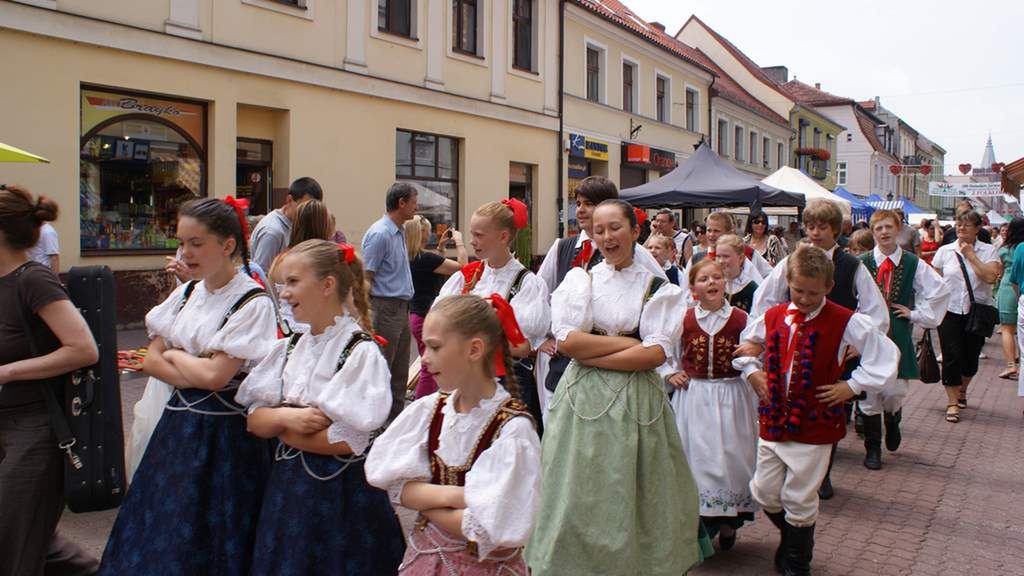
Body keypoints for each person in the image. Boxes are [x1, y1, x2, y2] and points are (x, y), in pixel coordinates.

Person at [525, 200, 709, 576]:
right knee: (579, 487)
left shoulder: (658, 287)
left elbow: (655, 355)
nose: (607, 237)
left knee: (632, 487)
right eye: (599, 230)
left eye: (615, 228)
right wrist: (630, 345)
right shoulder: (582, 281)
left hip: (636, 402)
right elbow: (568, 344)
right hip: (582, 401)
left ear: (635, 232)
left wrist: (591, 355)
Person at [100, 198, 279, 575]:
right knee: (163, 524)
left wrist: (176, 355)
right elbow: (150, 361)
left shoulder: (252, 301)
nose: (186, 252)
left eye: (196, 243)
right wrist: (196, 363)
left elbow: (215, 377)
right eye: (182, 243)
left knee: (215, 531)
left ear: (227, 245)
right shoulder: (186, 294)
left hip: (225, 439)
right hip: (178, 430)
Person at [236, 240, 405, 575]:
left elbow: (347, 441)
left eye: (294, 282)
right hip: (288, 491)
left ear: (328, 285)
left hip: (341, 499)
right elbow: (254, 421)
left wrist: (282, 431)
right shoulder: (290, 347)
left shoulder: (358, 352)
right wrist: (290, 418)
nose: (283, 293)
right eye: (283, 284)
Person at [735, 245, 899, 576]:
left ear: (827, 287)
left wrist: (851, 386)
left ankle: (797, 560)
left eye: (813, 292)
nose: (805, 298)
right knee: (763, 490)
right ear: (788, 285)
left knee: (800, 494)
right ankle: (794, 538)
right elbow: (746, 346)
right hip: (774, 417)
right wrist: (753, 371)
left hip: (816, 420)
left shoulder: (844, 319)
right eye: (798, 291)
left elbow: (883, 354)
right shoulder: (773, 315)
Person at [365, 294, 541, 575]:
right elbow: (392, 483)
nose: (423, 358)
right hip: (424, 562)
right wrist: (465, 496)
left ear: (474, 349)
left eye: (434, 347)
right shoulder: (429, 411)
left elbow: (490, 529)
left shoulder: (512, 430)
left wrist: (426, 502)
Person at [750, 198, 889, 500]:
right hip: (792, 345)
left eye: (822, 227)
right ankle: (793, 477)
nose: (815, 232)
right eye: (810, 226)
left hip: (835, 343)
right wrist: (775, 330)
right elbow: (766, 301)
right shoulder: (791, 262)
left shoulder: (852, 265)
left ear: (836, 230)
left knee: (827, 403)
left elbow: (876, 312)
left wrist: (855, 343)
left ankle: (823, 473)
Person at [0, 186, 100, 576]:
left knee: (12, 543)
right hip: (5, 424)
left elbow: (83, 348)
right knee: (31, 540)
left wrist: (7, 372)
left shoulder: (33, 279)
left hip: (36, 430)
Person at [535, 176, 666, 420]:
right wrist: (541, 338)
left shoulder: (636, 253)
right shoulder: (563, 247)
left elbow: (658, 295)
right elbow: (539, 295)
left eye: (589, 203)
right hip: (563, 368)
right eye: (578, 203)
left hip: (623, 376)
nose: (581, 210)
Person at [662, 258, 756, 552]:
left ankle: (729, 522)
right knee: (696, 457)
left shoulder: (742, 319)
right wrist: (670, 372)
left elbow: (753, 351)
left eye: (717, 277)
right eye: (704, 279)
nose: (712, 283)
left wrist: (752, 365)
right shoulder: (684, 319)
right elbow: (667, 351)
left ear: (725, 283)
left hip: (731, 395)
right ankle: (697, 526)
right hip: (695, 396)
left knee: (730, 457)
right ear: (693, 288)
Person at [434, 199, 549, 432]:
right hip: (465, 379)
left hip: (508, 382)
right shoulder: (468, 276)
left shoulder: (527, 284)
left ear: (503, 237)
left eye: (479, 235)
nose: (472, 241)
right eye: (471, 234)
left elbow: (523, 347)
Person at [858, 210, 950, 469]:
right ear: (873, 232)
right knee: (868, 392)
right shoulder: (862, 262)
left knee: (894, 391)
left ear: (898, 229)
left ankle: (893, 417)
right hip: (868, 336)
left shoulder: (912, 263)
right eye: (879, 228)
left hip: (898, 333)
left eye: (889, 227)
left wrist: (916, 314)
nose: (884, 232)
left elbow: (940, 290)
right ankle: (872, 448)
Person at [932, 210, 1001, 424]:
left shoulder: (989, 251)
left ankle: (962, 389)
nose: (961, 228)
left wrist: (971, 256)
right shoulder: (945, 251)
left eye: (967, 225)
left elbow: (990, 277)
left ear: (977, 228)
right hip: (949, 310)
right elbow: (934, 280)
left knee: (970, 359)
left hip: (976, 312)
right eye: (958, 224)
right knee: (951, 355)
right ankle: (952, 402)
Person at [362, 182, 417, 421]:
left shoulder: (399, 231)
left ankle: (393, 423)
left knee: (399, 371)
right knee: (382, 370)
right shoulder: (380, 233)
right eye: (414, 202)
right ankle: (374, 424)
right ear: (401, 203)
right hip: (385, 308)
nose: (417, 207)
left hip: (401, 308)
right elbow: (366, 276)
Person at [406, 215, 467, 398]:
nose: (431, 234)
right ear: (421, 233)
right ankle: (422, 406)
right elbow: (463, 268)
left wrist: (441, 248)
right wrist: (460, 243)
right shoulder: (424, 258)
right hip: (425, 316)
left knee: (429, 364)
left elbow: (438, 269)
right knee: (429, 368)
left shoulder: (411, 257)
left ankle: (425, 403)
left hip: (415, 315)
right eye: (428, 230)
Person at [270, 198, 334, 335]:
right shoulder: (327, 261)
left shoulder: (280, 260)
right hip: (317, 332)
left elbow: (272, 298)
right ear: (324, 226)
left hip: (284, 331)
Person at [250, 176, 323, 272]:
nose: (309, 212)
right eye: (305, 207)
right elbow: (260, 274)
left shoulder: (294, 222)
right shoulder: (272, 231)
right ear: (289, 200)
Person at [996, 219, 1024, 380]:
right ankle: (1021, 365)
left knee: (1007, 329)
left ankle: (1011, 365)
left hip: (1007, 287)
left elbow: (999, 271)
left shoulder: (1004, 249)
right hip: (1021, 287)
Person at [717, 233, 761, 313]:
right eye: (718, 256)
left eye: (726, 256)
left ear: (741, 258)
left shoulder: (751, 288)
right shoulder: (714, 284)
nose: (721, 261)